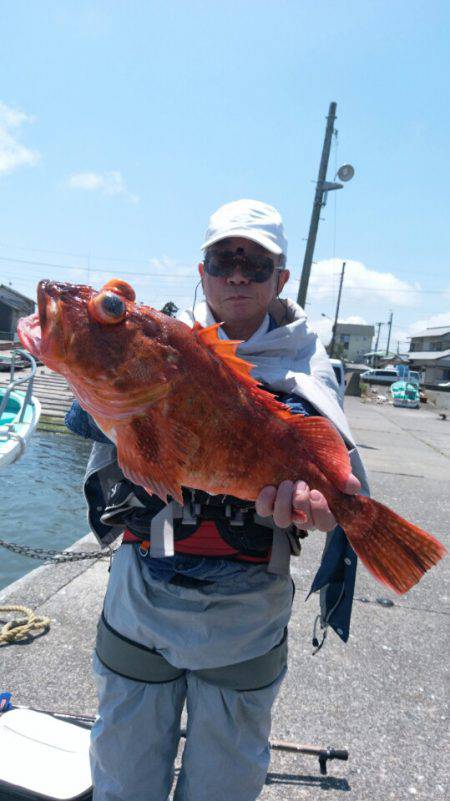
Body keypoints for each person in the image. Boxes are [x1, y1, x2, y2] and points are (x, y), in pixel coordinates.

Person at [66, 198, 368, 801]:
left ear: (280, 278)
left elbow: (324, 455)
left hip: (247, 606)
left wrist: (328, 507)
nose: (237, 276)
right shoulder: (158, 338)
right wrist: (82, 357)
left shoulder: (306, 365)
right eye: (223, 261)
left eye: (255, 264)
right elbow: (84, 419)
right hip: (141, 588)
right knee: (122, 770)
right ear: (202, 272)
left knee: (223, 784)